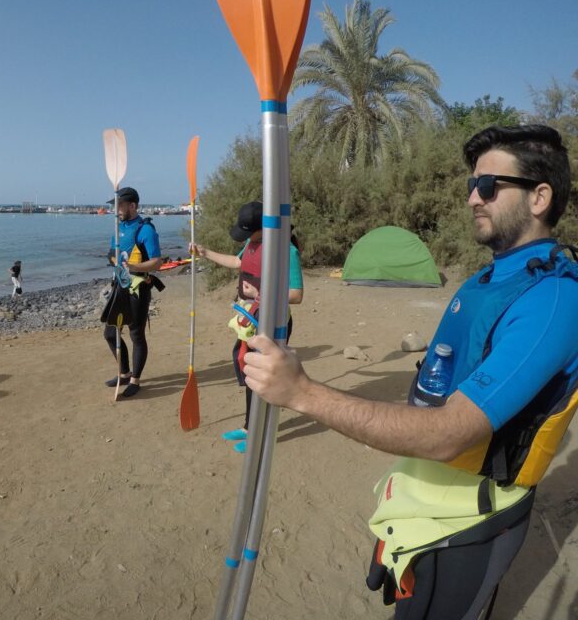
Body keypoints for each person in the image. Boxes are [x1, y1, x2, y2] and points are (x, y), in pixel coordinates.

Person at [242, 125, 578, 619]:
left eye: (488, 186)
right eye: (470, 185)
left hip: (468, 520)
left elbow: (449, 434)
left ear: (539, 197)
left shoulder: (554, 300)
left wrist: (303, 393)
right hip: (429, 498)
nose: (472, 199)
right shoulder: (492, 277)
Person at [190, 200, 304, 447]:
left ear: (263, 227)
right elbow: (238, 262)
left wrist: (260, 294)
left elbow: (296, 294)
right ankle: (249, 427)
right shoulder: (253, 243)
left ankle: (262, 434)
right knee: (249, 371)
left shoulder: (286, 251)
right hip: (251, 320)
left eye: (248, 232)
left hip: (273, 325)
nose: (245, 238)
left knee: (265, 378)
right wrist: (205, 252)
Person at [103, 187, 163, 398]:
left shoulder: (145, 230)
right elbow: (113, 254)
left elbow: (157, 262)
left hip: (139, 288)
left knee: (136, 334)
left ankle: (135, 380)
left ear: (133, 206)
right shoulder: (118, 228)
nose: (115, 210)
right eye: (114, 205)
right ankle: (124, 372)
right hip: (119, 286)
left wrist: (133, 267)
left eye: (119, 205)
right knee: (111, 333)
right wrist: (113, 260)